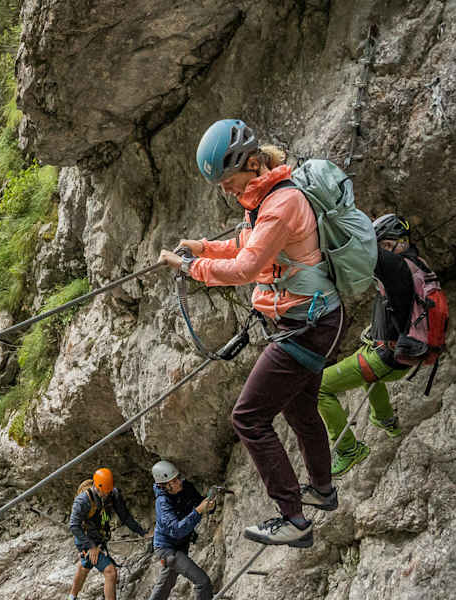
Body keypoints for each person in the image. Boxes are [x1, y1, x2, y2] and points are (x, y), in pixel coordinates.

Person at [157, 119, 343, 548]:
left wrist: (189, 267)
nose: (225, 189)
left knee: (248, 418)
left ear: (254, 163)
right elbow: (247, 244)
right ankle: (322, 491)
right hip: (314, 320)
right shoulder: (264, 198)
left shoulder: (280, 204)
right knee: (300, 411)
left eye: (228, 179)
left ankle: (294, 519)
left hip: (306, 327)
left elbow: (246, 268)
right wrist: (202, 247)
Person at [317, 214, 427, 475]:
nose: (383, 252)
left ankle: (348, 449)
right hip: (392, 351)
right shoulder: (416, 265)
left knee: (319, 387)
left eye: (387, 245)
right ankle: (386, 419)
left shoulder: (399, 270)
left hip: (388, 357)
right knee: (366, 370)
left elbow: (362, 260)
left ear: (401, 243)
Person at [68, 467, 148, 600]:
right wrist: (91, 546)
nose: (106, 495)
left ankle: (71, 597)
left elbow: (125, 517)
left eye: (108, 492)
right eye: (103, 492)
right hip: (86, 541)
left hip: (100, 538)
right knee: (110, 572)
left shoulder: (113, 494)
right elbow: (74, 526)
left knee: (85, 566)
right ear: (96, 487)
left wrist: (142, 532)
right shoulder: (83, 501)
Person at [148, 461, 216, 600]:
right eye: (173, 481)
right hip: (167, 549)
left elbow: (200, 503)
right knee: (203, 582)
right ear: (164, 486)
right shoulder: (162, 503)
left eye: (178, 478)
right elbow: (177, 530)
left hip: (180, 545)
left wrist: (209, 506)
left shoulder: (186, 487)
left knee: (164, 586)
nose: (179, 482)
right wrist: (198, 511)